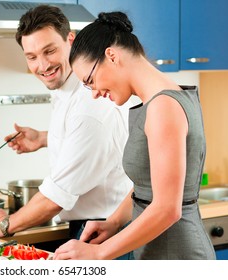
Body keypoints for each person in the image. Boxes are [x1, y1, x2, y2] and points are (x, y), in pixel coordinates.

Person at [53, 11, 216, 260]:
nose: (94, 93)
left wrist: (98, 253)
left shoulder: (164, 107)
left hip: (178, 256)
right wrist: (114, 221)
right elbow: (147, 186)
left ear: (111, 55)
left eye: (91, 80)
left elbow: (167, 210)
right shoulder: (159, 101)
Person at [0, 5, 133, 257]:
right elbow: (86, 141)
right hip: (90, 226)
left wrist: (5, 224)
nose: (42, 65)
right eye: (31, 56)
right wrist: (41, 138)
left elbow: (55, 198)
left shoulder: (89, 103)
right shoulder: (69, 88)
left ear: (70, 40)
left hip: (106, 231)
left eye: (49, 51)